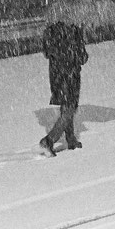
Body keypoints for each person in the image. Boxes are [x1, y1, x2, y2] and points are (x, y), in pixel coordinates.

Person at [39, 20, 88, 157]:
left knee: (67, 106)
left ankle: (70, 138)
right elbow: (81, 57)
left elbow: (48, 53)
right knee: (69, 109)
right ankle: (48, 141)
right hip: (70, 75)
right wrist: (80, 40)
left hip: (56, 75)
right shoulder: (74, 31)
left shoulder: (51, 31)